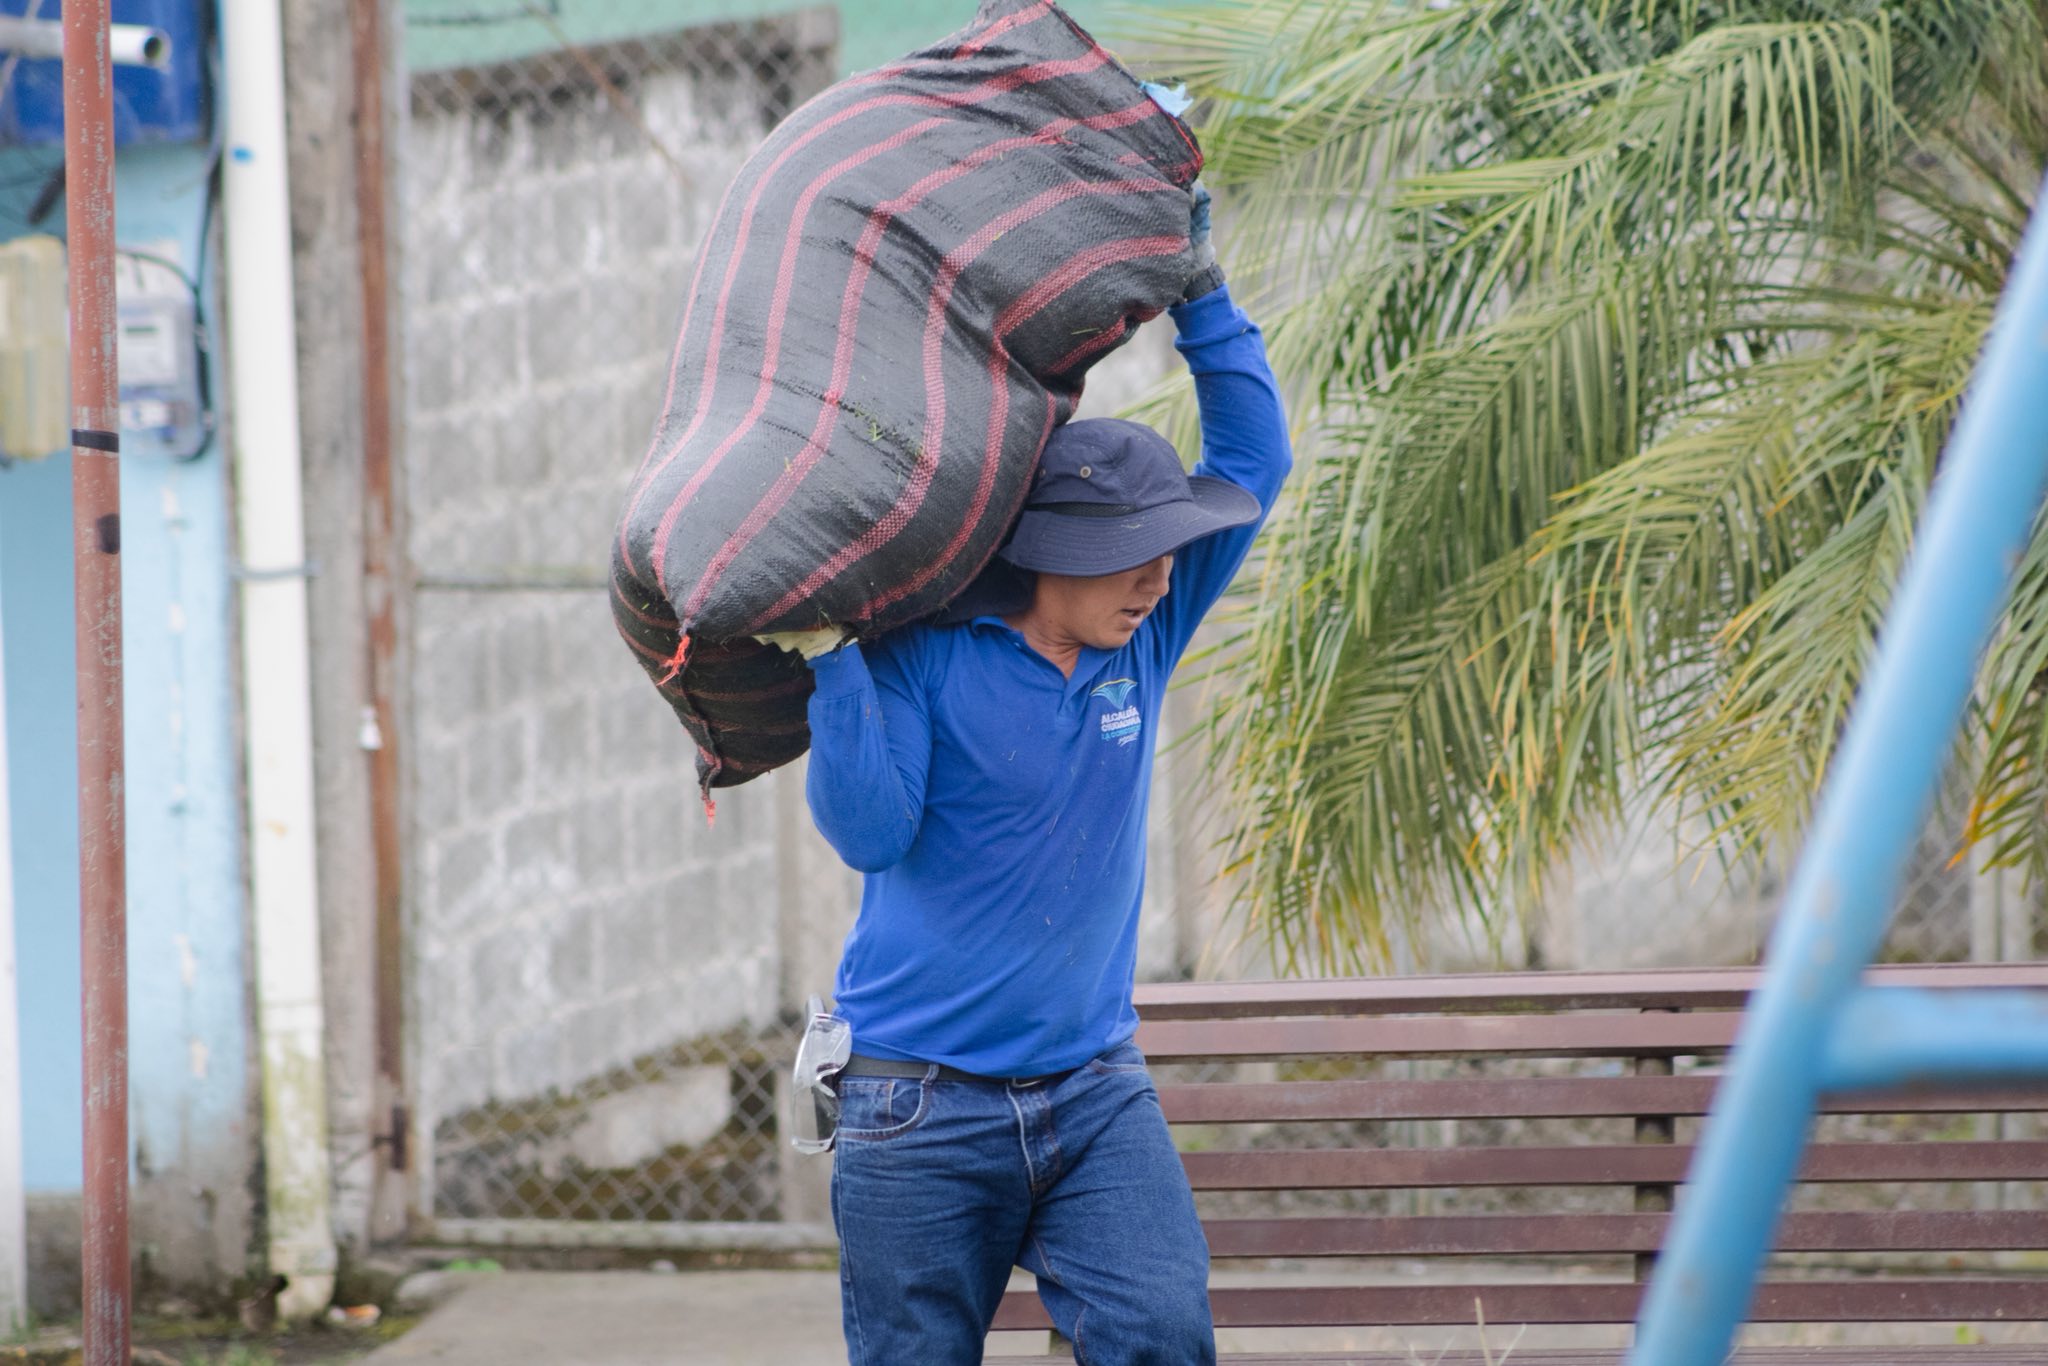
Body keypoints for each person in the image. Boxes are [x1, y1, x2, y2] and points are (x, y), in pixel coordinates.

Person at [802, 185, 1290, 1366]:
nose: (1159, 578)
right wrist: (830, 659)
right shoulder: (922, 653)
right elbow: (868, 832)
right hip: (913, 1102)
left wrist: (1201, 290)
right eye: (1131, 556)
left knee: (1160, 1332)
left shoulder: (1145, 635)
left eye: (1166, 554)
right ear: (1053, 552)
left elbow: (1254, 458)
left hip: (1091, 1090)